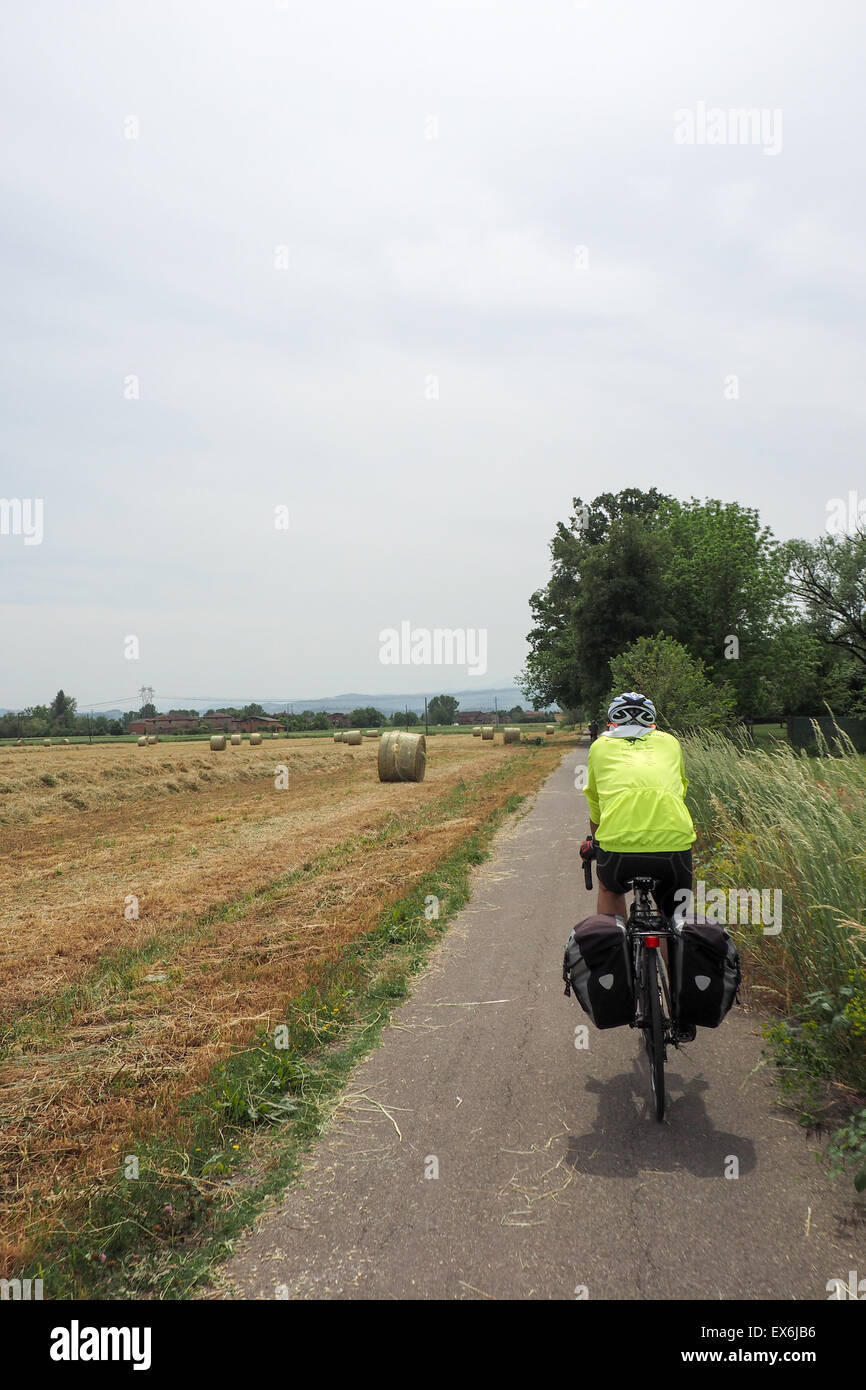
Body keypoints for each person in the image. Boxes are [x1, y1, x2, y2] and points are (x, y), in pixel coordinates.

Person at [579, 692, 695, 923]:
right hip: (674, 844)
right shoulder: (671, 742)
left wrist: (597, 841)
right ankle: (675, 948)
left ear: (611, 723)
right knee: (672, 918)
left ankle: (615, 945)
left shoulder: (600, 747)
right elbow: (680, 789)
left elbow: (595, 800)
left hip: (618, 847)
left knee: (609, 889)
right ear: (652, 723)